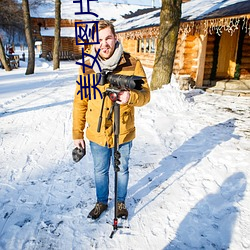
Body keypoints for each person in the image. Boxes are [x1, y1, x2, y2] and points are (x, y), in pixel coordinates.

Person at [72, 20, 150, 220]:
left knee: (122, 168)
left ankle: (121, 202)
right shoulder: (88, 67)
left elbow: (146, 95)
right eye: (99, 40)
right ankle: (101, 202)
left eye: (108, 38)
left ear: (115, 38)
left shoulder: (132, 64)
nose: (104, 44)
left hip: (123, 130)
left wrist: (130, 97)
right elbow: (80, 102)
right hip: (97, 133)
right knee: (100, 170)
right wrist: (77, 134)